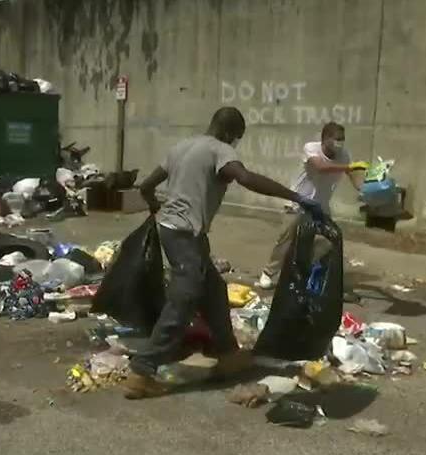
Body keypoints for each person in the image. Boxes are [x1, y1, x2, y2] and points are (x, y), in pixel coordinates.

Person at [127, 107, 326, 400]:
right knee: (185, 296)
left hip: (176, 230)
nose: (235, 145)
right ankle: (142, 372)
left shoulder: (182, 147)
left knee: (213, 290)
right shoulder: (220, 151)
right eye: (237, 139)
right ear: (232, 134)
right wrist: (297, 197)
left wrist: (156, 206)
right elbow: (245, 178)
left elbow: (146, 186)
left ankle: (228, 354)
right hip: (185, 234)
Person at [256, 122, 368, 290]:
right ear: (325, 138)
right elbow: (320, 167)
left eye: (342, 140)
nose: (340, 143)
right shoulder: (311, 148)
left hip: (321, 206)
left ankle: (311, 275)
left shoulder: (344, 155)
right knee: (286, 239)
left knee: (329, 240)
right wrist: (349, 166)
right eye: (336, 139)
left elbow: (352, 176)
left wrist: (364, 190)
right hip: (298, 201)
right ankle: (268, 273)